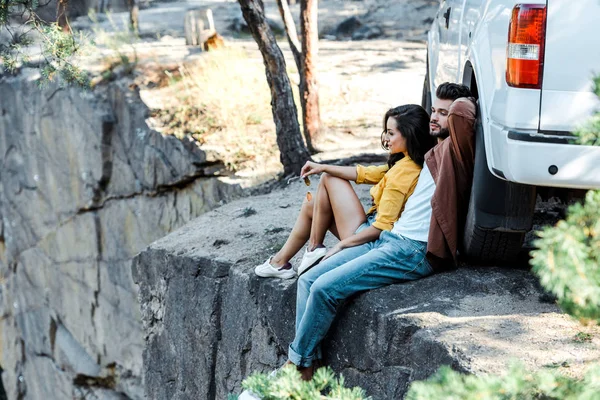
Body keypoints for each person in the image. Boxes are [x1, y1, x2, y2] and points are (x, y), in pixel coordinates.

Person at [286, 83, 474, 381]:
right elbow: (371, 174)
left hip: (413, 250)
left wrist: (466, 98)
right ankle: (309, 367)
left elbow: (465, 113)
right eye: (433, 110)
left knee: (325, 290)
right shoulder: (429, 153)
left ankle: (296, 368)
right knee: (309, 279)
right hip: (389, 239)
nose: (434, 118)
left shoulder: (457, 151)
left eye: (443, 112)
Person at [254, 104, 437, 279]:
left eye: (391, 133)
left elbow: (382, 227)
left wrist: (341, 245)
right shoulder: (407, 162)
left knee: (329, 178)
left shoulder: (404, 171)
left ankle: (313, 249)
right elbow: (364, 174)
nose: (385, 139)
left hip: (371, 239)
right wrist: (321, 166)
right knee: (313, 202)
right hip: (369, 229)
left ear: (410, 135)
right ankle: (280, 263)